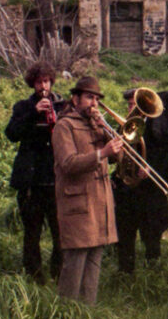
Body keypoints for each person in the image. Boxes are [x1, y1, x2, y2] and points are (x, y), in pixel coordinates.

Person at [52, 76, 123, 304]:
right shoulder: (64, 126)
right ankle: (66, 316)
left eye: (96, 99)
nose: (93, 103)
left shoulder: (96, 124)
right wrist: (102, 153)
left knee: (94, 264)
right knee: (75, 264)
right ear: (75, 99)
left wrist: (109, 134)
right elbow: (68, 163)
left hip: (100, 203)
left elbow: (118, 158)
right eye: (89, 98)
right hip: (78, 204)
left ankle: (87, 317)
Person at [5, 62, 64, 284]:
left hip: (56, 179)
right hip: (32, 180)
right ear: (33, 84)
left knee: (61, 234)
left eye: (47, 81)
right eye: (39, 82)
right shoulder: (23, 107)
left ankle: (59, 274)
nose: (43, 86)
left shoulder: (62, 105)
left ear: (52, 82)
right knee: (32, 234)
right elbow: (11, 134)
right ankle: (34, 277)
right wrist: (33, 113)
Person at [113, 89, 168, 273]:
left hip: (150, 191)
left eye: (134, 105)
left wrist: (151, 169)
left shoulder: (160, 127)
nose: (131, 109)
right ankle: (125, 275)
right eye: (129, 104)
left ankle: (154, 276)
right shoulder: (124, 126)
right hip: (126, 191)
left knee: (151, 237)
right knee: (125, 236)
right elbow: (114, 157)